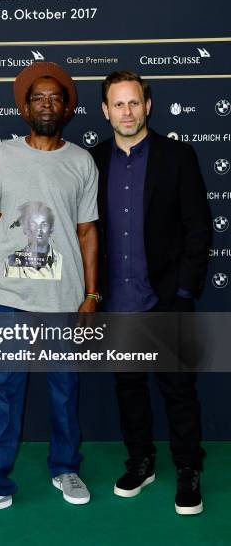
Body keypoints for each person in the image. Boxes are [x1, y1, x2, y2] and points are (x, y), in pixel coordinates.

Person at [0, 61, 100, 523]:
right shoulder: (1, 156)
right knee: (3, 390)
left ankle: (65, 469)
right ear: (25, 107)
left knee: (63, 389)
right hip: (10, 297)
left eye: (56, 98)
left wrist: (92, 294)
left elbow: (87, 231)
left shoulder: (81, 161)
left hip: (62, 299)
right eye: (39, 98)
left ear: (67, 108)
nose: (47, 105)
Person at [90, 70, 211, 515]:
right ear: (105, 111)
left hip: (165, 298)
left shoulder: (178, 156)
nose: (127, 111)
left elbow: (199, 229)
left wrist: (181, 292)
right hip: (116, 300)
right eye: (118, 104)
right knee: (129, 389)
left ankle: (187, 468)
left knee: (179, 390)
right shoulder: (93, 160)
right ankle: (141, 460)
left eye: (134, 102)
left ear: (148, 106)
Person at [4, 201, 63, 279]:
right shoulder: (11, 261)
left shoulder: (60, 261)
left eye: (44, 224)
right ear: (25, 228)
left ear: (51, 228)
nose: (39, 229)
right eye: (33, 224)